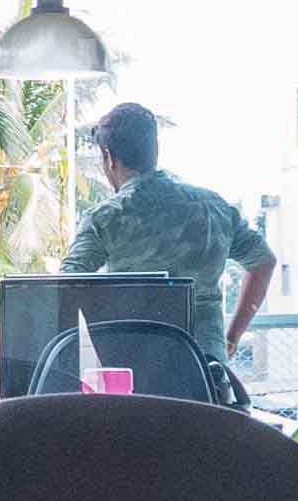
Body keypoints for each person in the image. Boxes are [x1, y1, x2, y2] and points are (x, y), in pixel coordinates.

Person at [73, 100, 274, 363]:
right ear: (155, 149)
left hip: (134, 374)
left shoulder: (105, 219)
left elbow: (67, 286)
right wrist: (231, 338)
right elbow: (264, 261)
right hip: (207, 371)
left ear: (109, 157)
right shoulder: (213, 207)